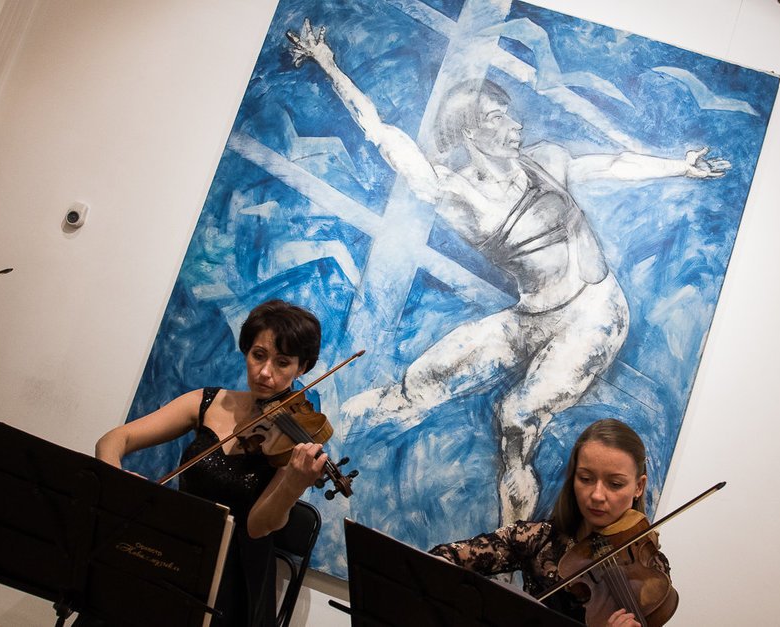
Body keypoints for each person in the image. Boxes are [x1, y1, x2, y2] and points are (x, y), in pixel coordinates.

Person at [287, 19, 729, 526]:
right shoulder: (454, 192)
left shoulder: (548, 160)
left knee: (517, 418)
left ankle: (508, 542)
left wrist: (680, 166)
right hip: (531, 316)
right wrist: (327, 62)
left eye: (510, 114)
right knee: (421, 382)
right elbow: (383, 134)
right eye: (498, 117)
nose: (515, 125)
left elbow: (612, 165)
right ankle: (310, 433)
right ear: (470, 132)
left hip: (594, 313)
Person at [89, 300, 328, 627]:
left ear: (302, 368)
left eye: (283, 362)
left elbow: (257, 527)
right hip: (176, 542)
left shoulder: (296, 438)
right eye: (258, 355)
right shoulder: (208, 401)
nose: (264, 372)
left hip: (234, 570)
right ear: (246, 351)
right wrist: (116, 481)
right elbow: (115, 439)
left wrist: (293, 485)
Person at [428, 419, 672, 627]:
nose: (597, 495)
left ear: (638, 487)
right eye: (585, 478)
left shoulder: (651, 566)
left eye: (615, 484)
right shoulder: (539, 539)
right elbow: (444, 558)